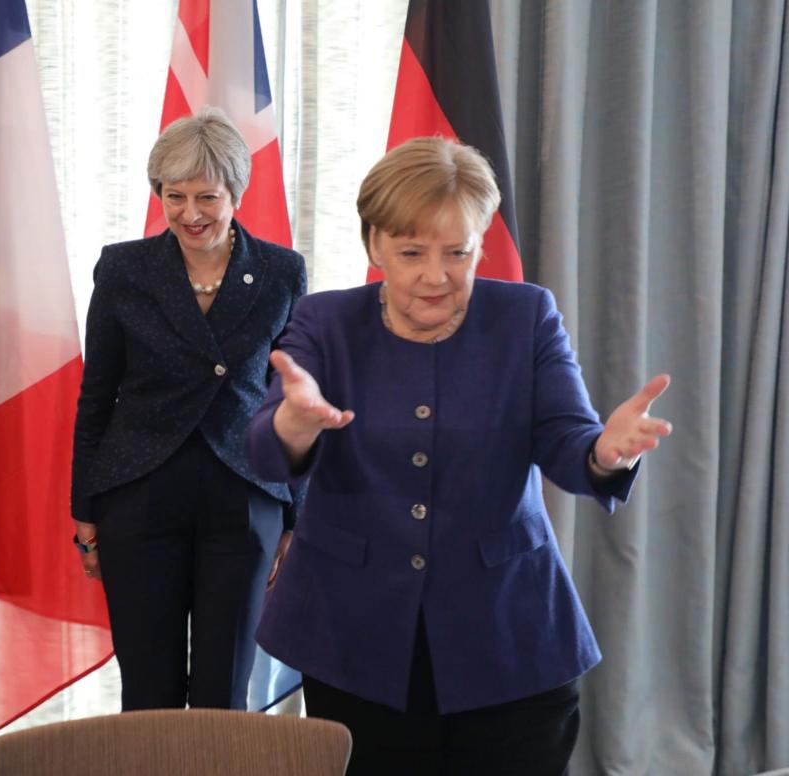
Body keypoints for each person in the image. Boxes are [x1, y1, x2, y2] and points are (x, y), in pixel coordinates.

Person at [248, 137, 673, 775]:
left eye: (458, 252)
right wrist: (294, 421)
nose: (435, 275)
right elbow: (264, 449)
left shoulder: (525, 316)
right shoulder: (324, 321)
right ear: (374, 246)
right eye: (411, 251)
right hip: (354, 634)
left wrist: (605, 453)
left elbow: (567, 441)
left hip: (509, 632)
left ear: (480, 245)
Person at [70, 107, 306, 710]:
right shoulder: (124, 268)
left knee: (224, 691)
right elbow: (98, 391)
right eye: (174, 196)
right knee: (148, 690)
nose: (189, 213)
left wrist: (293, 513)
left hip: (244, 490)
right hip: (139, 490)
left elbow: (292, 398)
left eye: (207, 196)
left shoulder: (281, 271)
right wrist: (85, 508)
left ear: (236, 192)